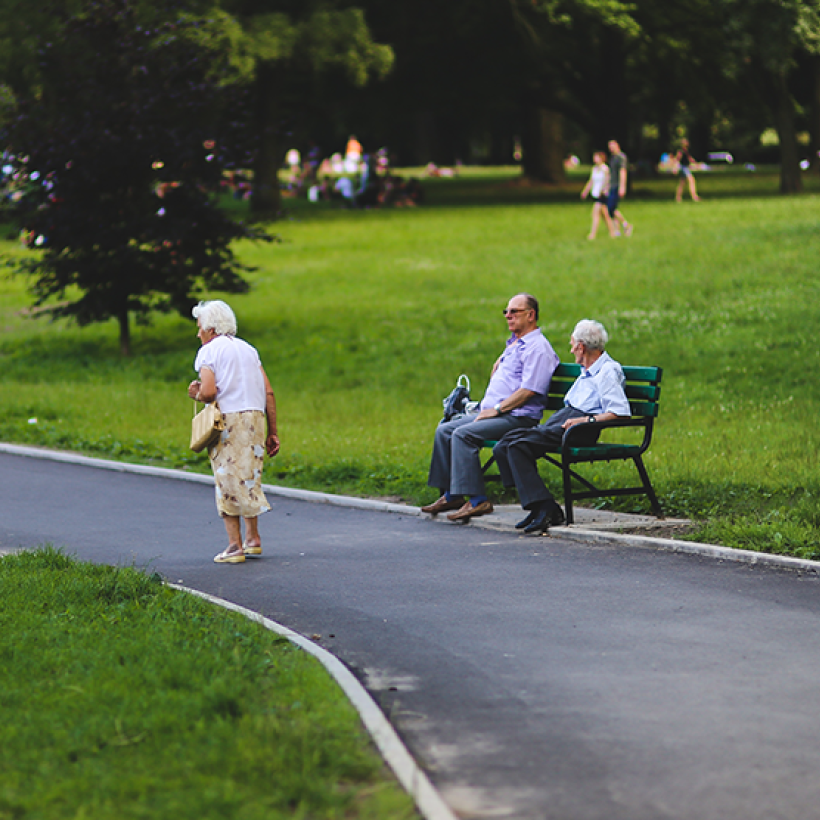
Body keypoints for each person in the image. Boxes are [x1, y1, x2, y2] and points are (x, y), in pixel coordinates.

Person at [421, 294, 559, 522]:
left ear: (531, 315)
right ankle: (452, 494)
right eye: (506, 311)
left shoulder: (538, 348)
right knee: (444, 429)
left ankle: (478, 500)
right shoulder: (515, 344)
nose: (508, 316)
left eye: (514, 311)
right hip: (497, 413)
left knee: (463, 434)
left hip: (517, 417)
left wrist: (497, 409)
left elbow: (530, 390)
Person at [493, 319, 630, 535]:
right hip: (566, 420)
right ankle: (537, 505)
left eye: (572, 344)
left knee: (518, 446)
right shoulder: (588, 369)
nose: (571, 349)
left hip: (580, 428)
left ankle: (547, 508)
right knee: (505, 444)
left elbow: (620, 412)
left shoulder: (607, 371)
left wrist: (585, 421)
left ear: (581, 347)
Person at [187, 300, 280, 564]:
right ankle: (253, 539)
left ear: (211, 328)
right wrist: (273, 432)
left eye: (200, 328)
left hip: (229, 421)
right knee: (248, 477)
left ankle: (234, 546)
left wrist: (195, 393)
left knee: (226, 479)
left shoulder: (208, 352)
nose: (198, 334)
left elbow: (209, 391)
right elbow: (269, 392)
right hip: (255, 419)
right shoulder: (249, 350)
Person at [580, 151, 616, 239]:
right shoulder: (594, 169)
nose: (594, 159)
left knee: (595, 213)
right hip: (596, 193)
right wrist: (585, 191)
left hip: (602, 194)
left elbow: (607, 180)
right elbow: (591, 181)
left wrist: (603, 189)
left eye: (596, 157)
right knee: (605, 215)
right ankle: (612, 232)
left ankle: (592, 234)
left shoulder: (605, 168)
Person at [607, 140, 633, 237]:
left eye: (612, 146)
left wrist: (622, 187)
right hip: (612, 185)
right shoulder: (612, 158)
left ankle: (626, 224)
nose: (611, 148)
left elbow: (623, 172)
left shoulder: (621, 157)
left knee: (611, 208)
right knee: (612, 208)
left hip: (617, 185)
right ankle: (617, 230)